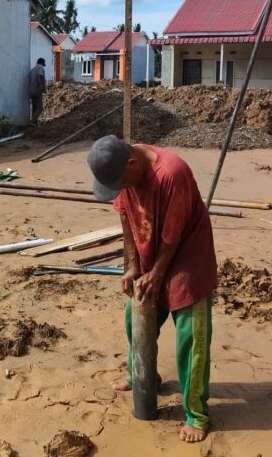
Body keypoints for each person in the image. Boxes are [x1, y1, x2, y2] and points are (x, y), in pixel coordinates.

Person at [87, 135, 217, 443]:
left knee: (191, 338)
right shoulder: (127, 177)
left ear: (132, 163)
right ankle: (143, 377)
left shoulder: (173, 174)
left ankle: (196, 414)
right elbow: (126, 219)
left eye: (121, 181)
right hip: (152, 255)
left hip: (187, 259)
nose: (121, 188)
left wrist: (158, 273)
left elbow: (172, 236)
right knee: (135, 317)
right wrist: (132, 265)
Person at [28, 57, 47, 125]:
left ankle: (34, 123)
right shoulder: (40, 68)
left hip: (31, 90)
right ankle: (32, 121)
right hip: (37, 90)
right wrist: (42, 87)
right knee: (40, 108)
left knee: (34, 107)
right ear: (42, 63)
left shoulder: (32, 69)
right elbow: (40, 76)